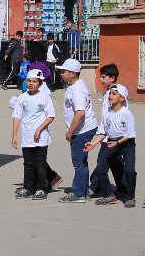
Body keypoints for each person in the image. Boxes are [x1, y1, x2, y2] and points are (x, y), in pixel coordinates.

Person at [85, 84, 136, 208]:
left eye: (114, 94)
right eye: (110, 93)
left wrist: (117, 143)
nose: (110, 96)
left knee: (129, 170)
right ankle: (108, 194)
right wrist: (93, 143)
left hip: (126, 143)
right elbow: (103, 132)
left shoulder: (127, 113)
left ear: (122, 98)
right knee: (101, 169)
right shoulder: (107, 112)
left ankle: (130, 197)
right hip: (111, 142)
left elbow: (130, 134)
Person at [56, 59, 97, 203]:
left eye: (64, 71)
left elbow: (80, 113)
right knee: (81, 161)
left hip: (81, 130)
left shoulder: (78, 89)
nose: (61, 74)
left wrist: (70, 131)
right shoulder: (73, 85)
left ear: (72, 74)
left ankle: (79, 193)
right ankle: (83, 190)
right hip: (80, 129)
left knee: (78, 162)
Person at [12, 69, 54, 200]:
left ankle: (41, 188)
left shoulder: (45, 97)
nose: (31, 84)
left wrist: (39, 129)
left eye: (34, 81)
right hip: (27, 137)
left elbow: (51, 116)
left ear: (40, 83)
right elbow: (17, 117)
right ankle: (28, 188)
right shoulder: (22, 97)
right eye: (29, 81)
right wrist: (14, 135)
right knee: (28, 164)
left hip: (41, 138)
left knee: (40, 163)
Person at [89, 63, 120, 197]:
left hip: (110, 136)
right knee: (115, 162)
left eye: (103, 77)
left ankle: (95, 187)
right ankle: (123, 188)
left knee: (103, 163)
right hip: (107, 134)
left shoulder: (115, 93)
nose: (101, 80)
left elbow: (116, 114)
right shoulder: (108, 92)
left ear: (112, 78)